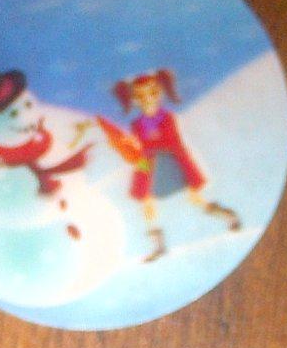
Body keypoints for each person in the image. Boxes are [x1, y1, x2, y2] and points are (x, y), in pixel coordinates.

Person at [96, 70, 241, 263]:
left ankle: (228, 216)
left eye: (152, 93)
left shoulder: (167, 118)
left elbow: (169, 141)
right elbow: (141, 149)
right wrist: (130, 149)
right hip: (149, 165)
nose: (147, 99)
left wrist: (143, 147)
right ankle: (158, 246)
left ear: (159, 93)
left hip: (170, 162)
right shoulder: (136, 124)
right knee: (147, 203)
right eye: (141, 96)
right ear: (136, 99)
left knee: (194, 198)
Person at [0, 62, 91, 197]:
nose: (26, 118)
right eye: (13, 114)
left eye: (28, 105)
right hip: (8, 156)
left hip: (31, 146)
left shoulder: (33, 128)